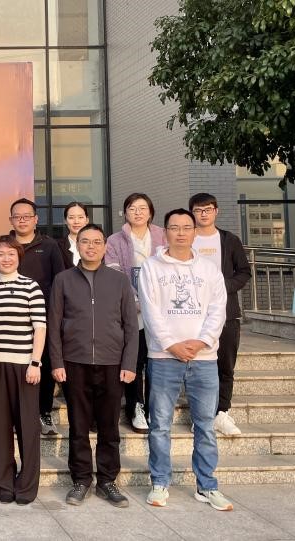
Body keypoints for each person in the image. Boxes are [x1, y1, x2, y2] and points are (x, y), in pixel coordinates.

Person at [139, 209, 231, 511]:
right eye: (174, 227)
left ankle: (207, 486)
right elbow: (150, 311)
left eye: (186, 227)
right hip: (163, 357)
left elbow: (218, 309)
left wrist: (202, 341)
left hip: (204, 359)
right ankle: (160, 482)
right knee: (160, 425)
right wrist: (171, 345)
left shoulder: (209, 269)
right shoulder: (151, 267)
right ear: (165, 231)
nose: (180, 233)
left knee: (205, 425)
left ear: (194, 231)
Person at [49, 224, 138, 508]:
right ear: (78, 246)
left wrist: (129, 362)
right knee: (78, 426)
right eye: (85, 241)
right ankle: (81, 479)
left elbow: (131, 326)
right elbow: (54, 324)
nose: (91, 246)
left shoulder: (119, 280)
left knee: (109, 427)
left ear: (105, 247)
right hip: (74, 363)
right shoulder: (63, 280)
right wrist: (57, 362)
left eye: (97, 242)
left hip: (112, 363)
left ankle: (108, 481)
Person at [0, 235, 46, 505]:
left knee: (27, 428)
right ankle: (3, 484)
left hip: (24, 366)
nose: (6, 259)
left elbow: (40, 327)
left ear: (19, 256)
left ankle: (27, 485)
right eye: (0, 254)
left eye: (11, 253)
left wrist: (35, 362)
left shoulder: (30, 286)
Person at [189, 193, 251, 435]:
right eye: (198, 210)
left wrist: (222, 287)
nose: (203, 214)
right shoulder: (187, 238)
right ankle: (201, 414)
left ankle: (221, 412)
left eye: (208, 209)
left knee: (225, 365)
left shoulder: (229, 240)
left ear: (216, 211)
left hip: (226, 313)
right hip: (192, 314)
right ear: (192, 213)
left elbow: (244, 272)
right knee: (197, 367)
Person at [106, 193, 166, 434]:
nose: (138, 212)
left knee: (157, 361)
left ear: (150, 212)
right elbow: (115, 273)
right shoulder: (114, 240)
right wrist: (136, 300)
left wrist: (153, 300)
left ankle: (154, 408)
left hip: (161, 310)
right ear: (125, 212)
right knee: (135, 359)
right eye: (132, 208)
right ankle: (136, 407)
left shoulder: (163, 236)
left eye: (142, 208)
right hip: (132, 310)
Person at [8, 198, 64, 436]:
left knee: (44, 363)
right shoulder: (5, 245)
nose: (22, 220)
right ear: (11, 220)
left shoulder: (49, 246)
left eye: (27, 216)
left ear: (35, 219)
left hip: (43, 318)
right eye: (17, 216)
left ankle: (44, 411)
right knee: (14, 367)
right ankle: (15, 415)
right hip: (10, 319)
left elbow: (59, 281)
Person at [56, 202, 90, 269]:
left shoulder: (98, 245)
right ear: (65, 221)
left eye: (80, 217)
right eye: (71, 218)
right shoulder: (57, 247)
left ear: (87, 220)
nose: (76, 221)